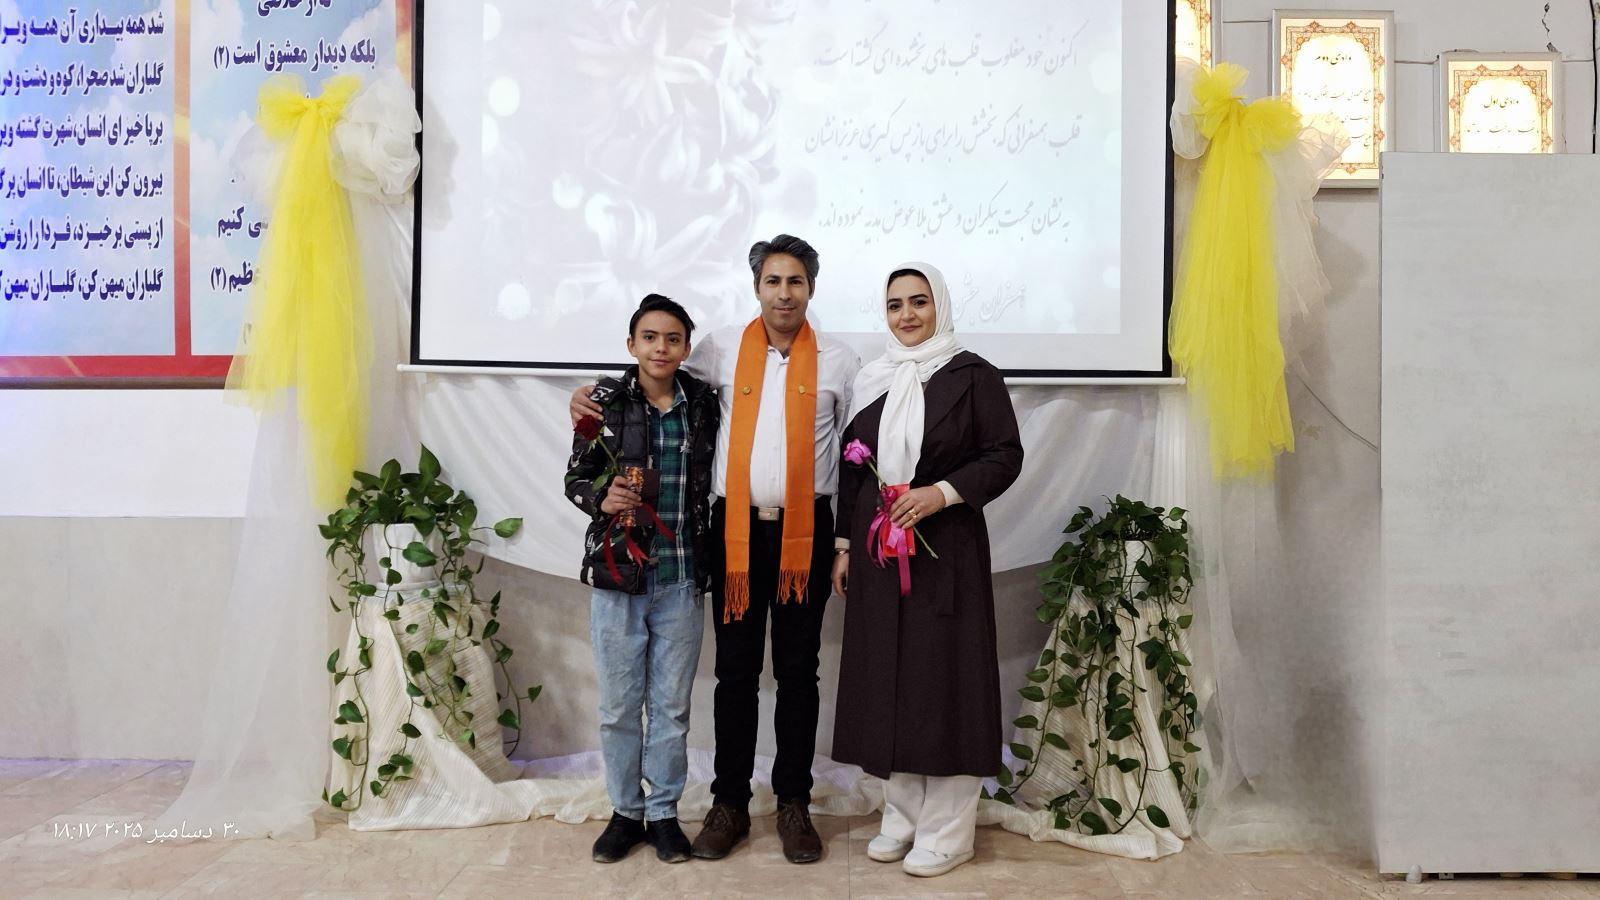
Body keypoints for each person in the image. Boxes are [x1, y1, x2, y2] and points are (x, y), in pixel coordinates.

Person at [572, 235, 860, 863]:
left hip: (806, 533)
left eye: (795, 281)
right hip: (735, 534)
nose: (784, 293)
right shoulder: (721, 349)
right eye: (772, 281)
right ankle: (729, 803)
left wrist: (844, 541)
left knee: (799, 671)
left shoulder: (841, 361)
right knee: (734, 672)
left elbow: (854, 452)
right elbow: (656, 378)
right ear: (756, 287)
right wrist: (593, 397)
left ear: (811, 288)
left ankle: (794, 803)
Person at [829, 263, 1023, 878]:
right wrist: (844, 546)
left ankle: (948, 831)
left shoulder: (973, 376)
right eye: (895, 305)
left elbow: (1004, 455)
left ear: (940, 305)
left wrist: (941, 493)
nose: (907, 315)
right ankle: (903, 816)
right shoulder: (873, 379)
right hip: (879, 555)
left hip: (948, 553)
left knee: (946, 683)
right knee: (890, 679)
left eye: (919, 301)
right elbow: (854, 468)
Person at [564, 294, 720, 864]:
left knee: (671, 709)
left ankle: (664, 814)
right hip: (619, 577)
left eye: (673, 339)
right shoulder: (604, 403)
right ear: (632, 344)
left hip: (682, 578)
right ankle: (626, 813)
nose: (661, 348)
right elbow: (575, 478)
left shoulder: (705, 404)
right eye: (650, 337)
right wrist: (599, 498)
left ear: (686, 348)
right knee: (619, 708)